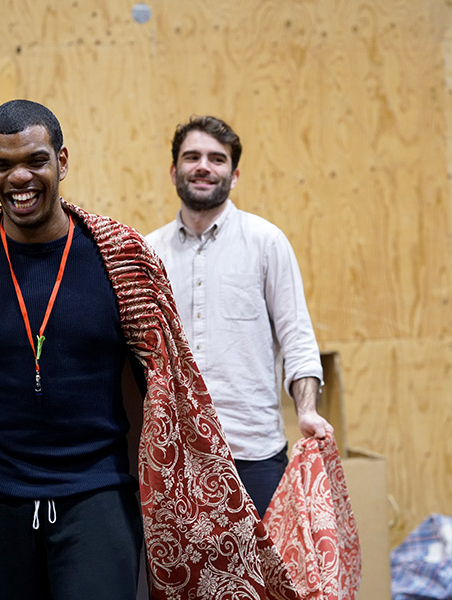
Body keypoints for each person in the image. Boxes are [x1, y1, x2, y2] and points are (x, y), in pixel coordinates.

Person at [0, 100, 308, 600]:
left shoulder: (124, 259)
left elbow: (174, 387)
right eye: (2, 165)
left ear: (62, 161)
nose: (20, 178)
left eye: (35, 161)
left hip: (96, 498)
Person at [146, 115, 333, 518]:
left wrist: (307, 411)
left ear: (234, 175)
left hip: (254, 455)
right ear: (173, 170)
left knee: (260, 581)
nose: (203, 166)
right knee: (185, 582)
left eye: (217, 159)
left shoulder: (266, 243)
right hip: (176, 456)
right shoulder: (149, 252)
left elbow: (297, 337)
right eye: (192, 156)